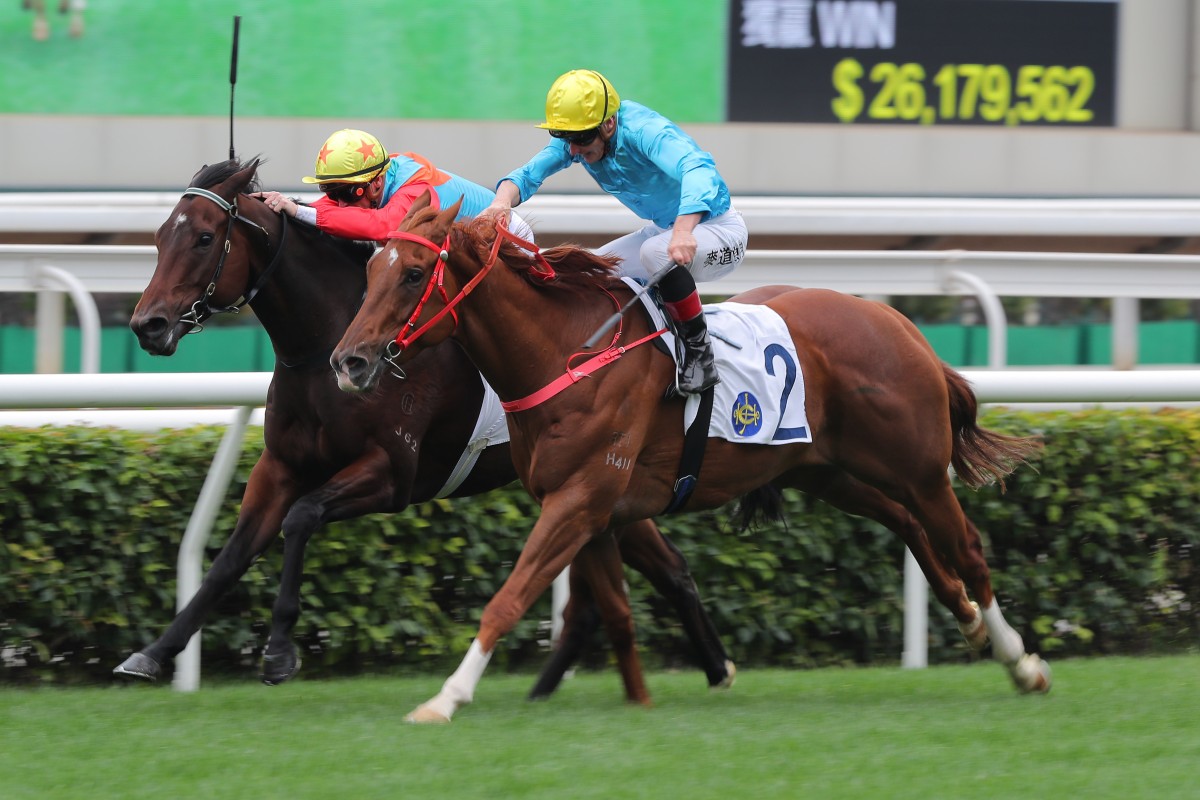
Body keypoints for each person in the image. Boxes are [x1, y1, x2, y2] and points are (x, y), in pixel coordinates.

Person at [483, 69, 747, 395]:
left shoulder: (645, 131)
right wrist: (500, 204)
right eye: (567, 140)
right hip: (664, 231)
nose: (574, 151)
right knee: (592, 269)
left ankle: (700, 355)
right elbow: (527, 174)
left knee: (655, 252)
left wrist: (682, 230)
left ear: (608, 124)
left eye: (580, 140)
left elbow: (697, 167)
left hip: (718, 230)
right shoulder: (578, 140)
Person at [255, 128, 534, 245]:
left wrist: (300, 212)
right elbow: (327, 212)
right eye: (332, 192)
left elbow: (383, 226)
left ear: (376, 183)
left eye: (346, 194)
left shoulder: (417, 190)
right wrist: (280, 205)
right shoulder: (375, 179)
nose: (339, 203)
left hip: (508, 238)